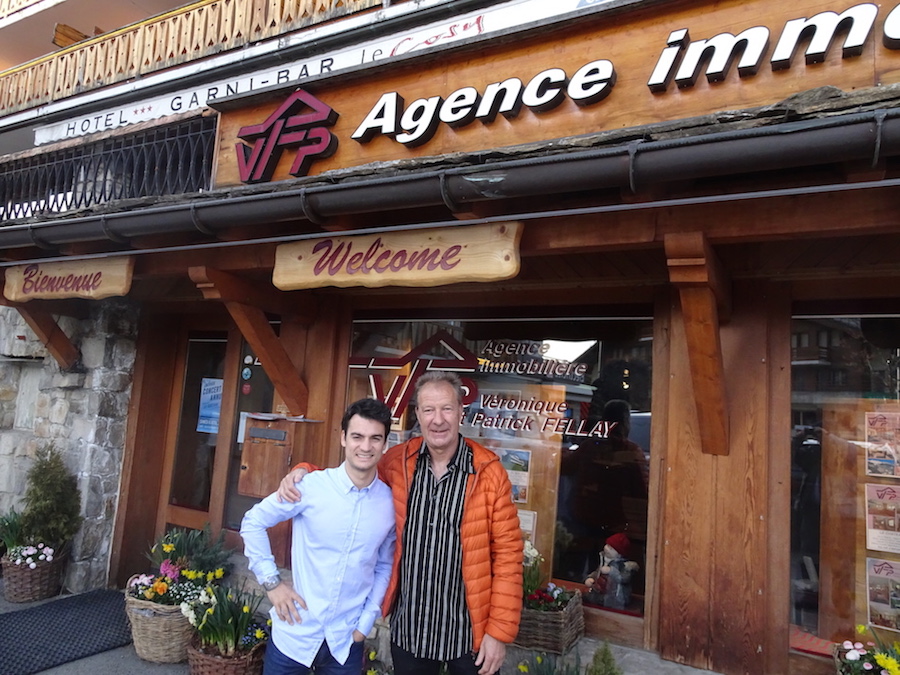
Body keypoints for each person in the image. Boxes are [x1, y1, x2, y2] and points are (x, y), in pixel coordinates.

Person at [277, 371, 523, 675]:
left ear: (461, 411)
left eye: (447, 408)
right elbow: (352, 473)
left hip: (470, 631)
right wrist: (303, 472)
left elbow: (509, 557)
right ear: (417, 414)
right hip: (411, 629)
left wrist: (498, 633)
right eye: (428, 410)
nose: (438, 419)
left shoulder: (488, 472)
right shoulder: (397, 462)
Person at [240, 398, 396, 675]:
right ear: (343, 438)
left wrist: (365, 624)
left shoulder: (389, 504)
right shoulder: (311, 486)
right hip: (295, 635)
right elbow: (253, 522)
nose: (366, 446)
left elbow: (384, 564)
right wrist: (272, 583)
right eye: (357, 436)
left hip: (345, 643)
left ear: (385, 444)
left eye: (375, 438)